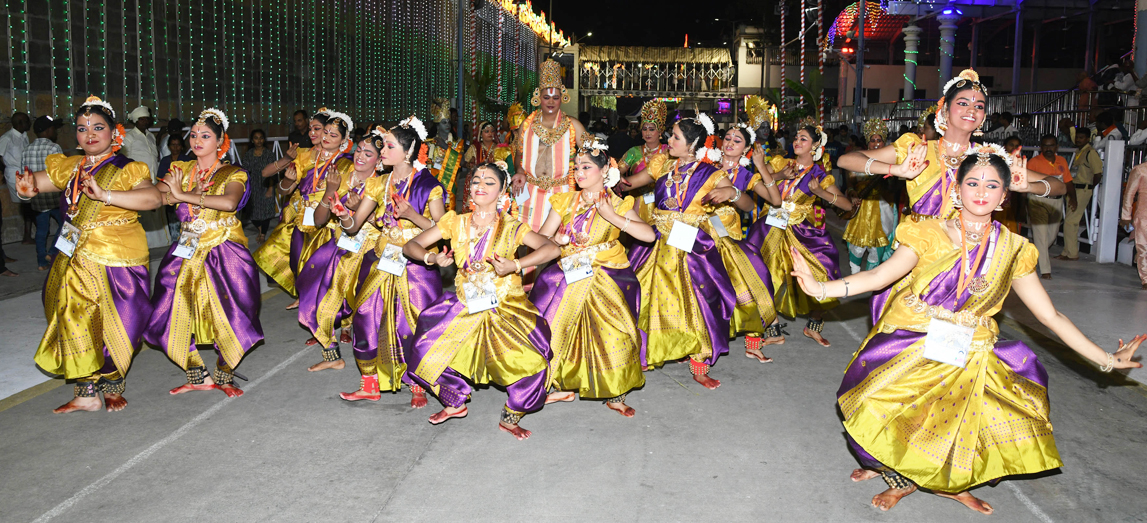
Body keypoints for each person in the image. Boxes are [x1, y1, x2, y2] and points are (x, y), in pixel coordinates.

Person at [790, 144, 1145, 514]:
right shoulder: (926, 232)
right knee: (888, 410)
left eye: (992, 186)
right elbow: (880, 275)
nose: (980, 192)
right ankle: (896, 473)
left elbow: (1050, 317)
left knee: (961, 424)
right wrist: (822, 289)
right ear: (956, 189)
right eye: (972, 182)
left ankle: (953, 484)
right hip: (916, 338)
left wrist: (1107, 359)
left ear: (1005, 196)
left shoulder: (1014, 249)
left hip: (971, 349)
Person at [16, 96, 161, 413]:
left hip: (117, 258)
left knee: (118, 323)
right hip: (74, 257)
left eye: (98, 127)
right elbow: (36, 184)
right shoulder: (70, 165)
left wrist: (106, 194)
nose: (89, 134)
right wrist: (26, 189)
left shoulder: (127, 168)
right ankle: (86, 392)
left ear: (114, 132)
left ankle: (112, 382)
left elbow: (152, 198)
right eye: (82, 129)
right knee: (73, 317)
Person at [403, 161, 560, 440]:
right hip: (466, 303)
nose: (480, 186)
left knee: (531, 364)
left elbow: (550, 248)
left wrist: (516, 265)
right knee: (422, 351)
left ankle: (510, 417)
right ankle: (455, 402)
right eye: (476, 180)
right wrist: (431, 257)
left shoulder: (513, 227)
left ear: (502, 192)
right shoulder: (455, 221)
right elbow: (410, 245)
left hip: (505, 306)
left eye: (490, 182)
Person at [839, 69, 1065, 224]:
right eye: (963, 103)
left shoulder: (987, 157)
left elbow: (1058, 185)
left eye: (979, 106)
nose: (971, 110)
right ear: (945, 110)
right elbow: (846, 160)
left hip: (966, 247)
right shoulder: (916, 147)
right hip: (921, 247)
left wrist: (1027, 188)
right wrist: (895, 170)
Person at [529, 137, 655, 416]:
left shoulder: (618, 204)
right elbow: (540, 239)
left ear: (605, 170)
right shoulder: (564, 201)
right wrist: (556, 239)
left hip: (606, 275)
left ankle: (615, 392)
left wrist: (611, 215)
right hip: (569, 274)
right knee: (559, 329)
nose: (579, 173)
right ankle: (560, 383)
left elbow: (648, 235)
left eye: (586, 167)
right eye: (576, 168)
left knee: (613, 333)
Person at [616, 114, 742, 388]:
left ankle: (699, 364)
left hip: (689, 246)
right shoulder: (661, 164)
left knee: (696, 302)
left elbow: (743, 201)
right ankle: (643, 351)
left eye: (675, 137)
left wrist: (730, 192)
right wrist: (610, 174)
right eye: (670, 135)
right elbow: (629, 184)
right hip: (656, 241)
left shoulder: (709, 173)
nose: (668, 140)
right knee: (644, 296)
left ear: (693, 143)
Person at [147, 108, 263, 397]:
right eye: (194, 135)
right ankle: (196, 374)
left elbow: (229, 202)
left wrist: (183, 195)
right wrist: (110, 196)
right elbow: (155, 196)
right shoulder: (181, 170)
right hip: (186, 251)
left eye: (206, 135)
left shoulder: (233, 172)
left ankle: (224, 374)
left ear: (221, 140)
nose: (197, 140)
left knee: (230, 313)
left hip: (224, 251)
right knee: (169, 311)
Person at [339, 122, 445, 405]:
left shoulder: (429, 185)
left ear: (408, 151)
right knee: (365, 315)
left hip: (416, 264)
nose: (382, 151)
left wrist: (412, 214)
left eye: (389, 146)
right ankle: (369, 383)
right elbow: (353, 226)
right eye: (383, 146)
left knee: (411, 323)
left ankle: (417, 384)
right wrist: (343, 213)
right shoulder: (377, 183)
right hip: (382, 259)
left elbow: (444, 229)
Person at [753, 119, 852, 347]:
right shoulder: (781, 162)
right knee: (764, 274)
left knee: (823, 272)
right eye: (796, 138)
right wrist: (778, 176)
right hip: (771, 227)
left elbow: (846, 206)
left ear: (815, 146)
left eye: (803, 139)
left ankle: (814, 325)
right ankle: (773, 328)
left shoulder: (819, 175)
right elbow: (757, 180)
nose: (797, 141)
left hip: (800, 231)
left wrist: (821, 193)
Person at [700, 118, 786, 359]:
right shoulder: (705, 163)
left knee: (744, 283)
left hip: (729, 232)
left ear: (746, 149)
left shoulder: (746, 175)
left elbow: (772, 202)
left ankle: (753, 341)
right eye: (727, 138)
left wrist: (761, 167)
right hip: (700, 231)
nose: (730, 142)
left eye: (737, 140)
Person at [280, 110, 357, 368]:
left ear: (344, 141)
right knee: (304, 282)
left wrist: (334, 195)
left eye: (333, 135)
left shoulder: (346, 165)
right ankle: (326, 336)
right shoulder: (308, 157)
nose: (326, 137)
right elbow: (285, 189)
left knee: (326, 287)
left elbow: (348, 200)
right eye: (325, 131)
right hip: (304, 228)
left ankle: (339, 329)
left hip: (329, 231)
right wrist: (286, 181)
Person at [252, 109, 341, 307]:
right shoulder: (303, 155)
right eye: (311, 128)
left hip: (330, 217)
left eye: (318, 129)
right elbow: (284, 189)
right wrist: (287, 176)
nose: (312, 133)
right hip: (303, 216)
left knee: (328, 265)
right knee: (298, 261)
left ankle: (335, 314)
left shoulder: (341, 159)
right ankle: (307, 299)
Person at [512, 59, 588, 233]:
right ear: (538, 98)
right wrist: (519, 171)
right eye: (546, 97)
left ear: (562, 98)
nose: (551, 102)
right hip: (530, 190)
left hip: (562, 191)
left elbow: (591, 157)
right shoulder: (527, 125)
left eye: (556, 97)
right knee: (525, 239)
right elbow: (519, 155)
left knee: (560, 240)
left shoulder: (573, 125)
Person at [843, 119, 899, 274]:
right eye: (872, 140)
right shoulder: (858, 158)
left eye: (879, 140)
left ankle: (870, 278)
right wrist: (853, 193)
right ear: (868, 142)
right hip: (861, 208)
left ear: (884, 142)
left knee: (876, 248)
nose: (876, 144)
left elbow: (893, 188)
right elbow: (850, 182)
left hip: (882, 209)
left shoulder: (890, 162)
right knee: (857, 245)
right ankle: (854, 276)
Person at [1026, 135, 1074, 279]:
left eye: (1051, 145)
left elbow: (1068, 181)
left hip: (1057, 201)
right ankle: (1046, 270)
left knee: (1051, 236)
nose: (1048, 149)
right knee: (1041, 235)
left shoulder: (1062, 161)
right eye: (1045, 146)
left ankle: (1032, 253)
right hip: (1038, 201)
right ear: (1041, 147)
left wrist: (1073, 197)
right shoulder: (1033, 162)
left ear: (1056, 147)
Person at [22, 116, 65, 270]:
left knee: (42, 230)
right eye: (53, 128)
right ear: (47, 130)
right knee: (67, 224)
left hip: (37, 197)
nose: (55, 131)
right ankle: (53, 252)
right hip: (53, 196)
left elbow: (24, 174)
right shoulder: (54, 148)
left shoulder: (27, 149)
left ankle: (42, 262)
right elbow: (61, 175)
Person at [619, 100, 669, 222]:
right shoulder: (634, 152)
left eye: (651, 129)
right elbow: (616, 172)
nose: (647, 132)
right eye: (644, 129)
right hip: (637, 202)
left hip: (662, 202)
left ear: (660, 131)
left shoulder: (668, 152)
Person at [1057, 127, 1102, 261]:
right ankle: (1067, 251)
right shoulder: (1079, 151)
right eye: (1077, 137)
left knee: (1071, 221)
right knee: (1069, 221)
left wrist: (1089, 188)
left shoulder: (1090, 153)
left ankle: (1072, 253)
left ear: (1088, 139)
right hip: (1074, 188)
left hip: (1083, 189)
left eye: (1081, 138)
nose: (1078, 140)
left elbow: (1098, 173)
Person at [241, 129, 279, 243]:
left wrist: (270, 189)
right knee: (251, 213)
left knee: (266, 212)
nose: (259, 140)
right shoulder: (248, 154)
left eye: (261, 137)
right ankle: (261, 228)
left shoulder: (269, 154)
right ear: (252, 140)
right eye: (256, 138)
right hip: (253, 186)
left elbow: (273, 173)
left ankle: (262, 235)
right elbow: (245, 172)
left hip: (267, 185)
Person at [1121, 161, 1147, 289]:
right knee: (1143, 247)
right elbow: (1129, 194)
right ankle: (1146, 279)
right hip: (1144, 216)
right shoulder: (1140, 170)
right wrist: (1126, 216)